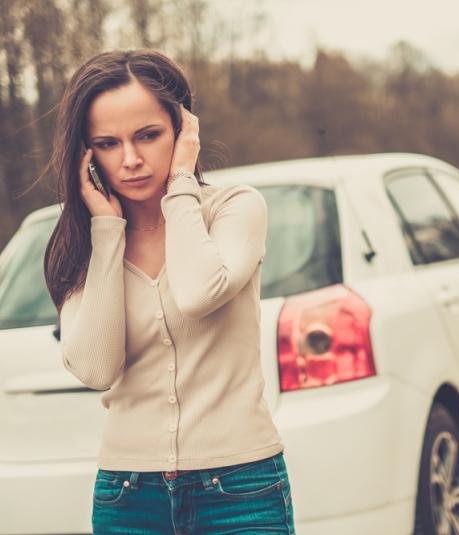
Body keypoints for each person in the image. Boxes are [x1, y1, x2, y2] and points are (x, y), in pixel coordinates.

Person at [43, 49, 295, 534]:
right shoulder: (82, 243)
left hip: (242, 488)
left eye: (148, 135)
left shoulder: (233, 210)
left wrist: (180, 181)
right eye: (108, 143)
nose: (131, 159)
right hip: (128, 496)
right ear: (85, 153)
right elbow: (97, 368)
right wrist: (108, 230)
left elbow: (199, 293)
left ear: (183, 131)